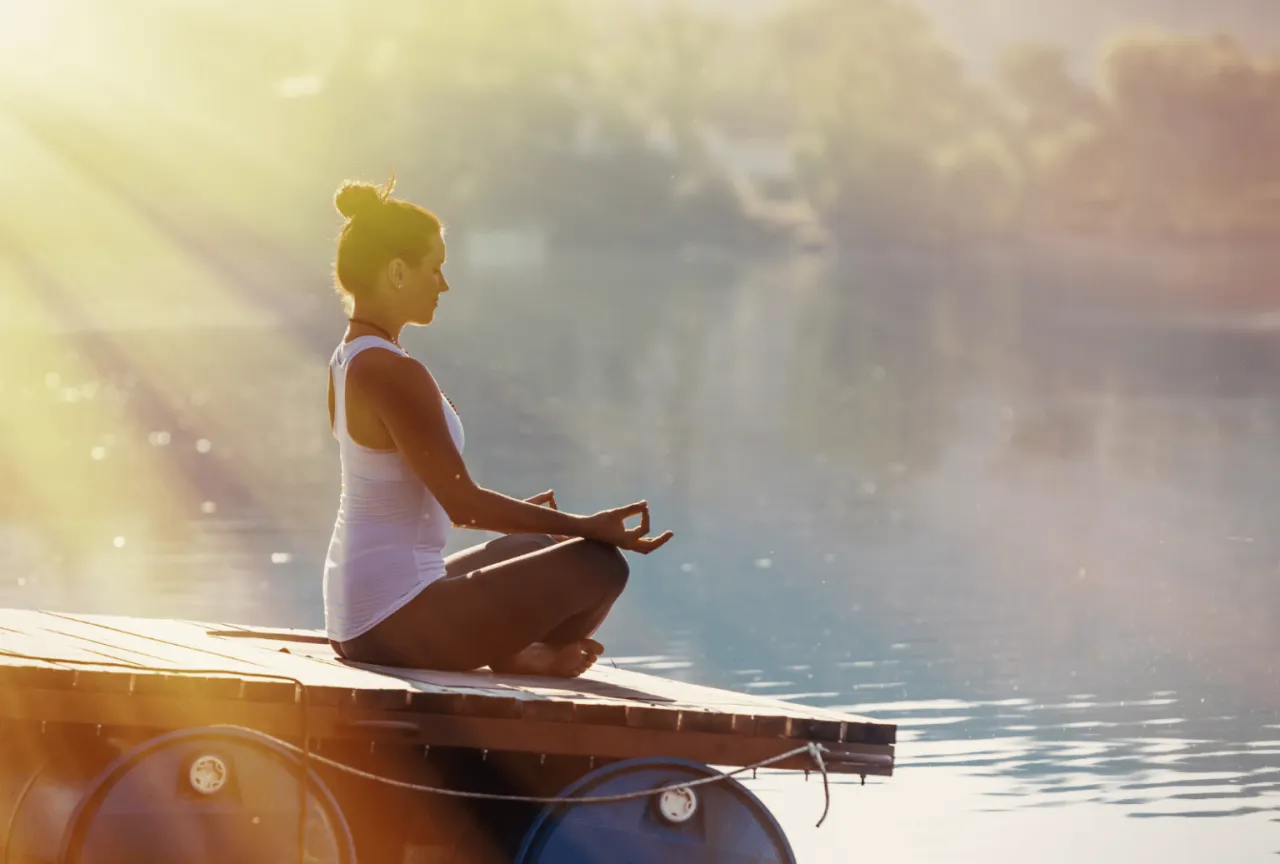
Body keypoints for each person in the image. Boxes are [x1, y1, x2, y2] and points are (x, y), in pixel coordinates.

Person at [323, 176, 673, 679]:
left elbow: (406, 494)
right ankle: (525, 654)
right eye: (435, 269)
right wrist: (584, 526)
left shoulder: (352, 357)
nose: (444, 284)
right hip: (389, 621)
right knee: (598, 564)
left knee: (539, 547)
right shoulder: (393, 372)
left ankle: (520, 649)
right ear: (397, 272)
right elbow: (462, 504)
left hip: (368, 610)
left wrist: (531, 522)